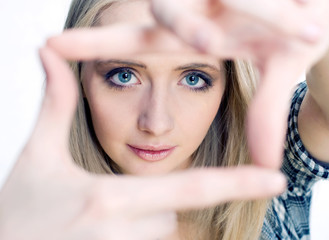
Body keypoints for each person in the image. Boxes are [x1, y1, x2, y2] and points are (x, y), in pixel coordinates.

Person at [0, 0, 328, 239]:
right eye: (124, 76)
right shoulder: (42, 223)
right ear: (79, 79)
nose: (156, 123)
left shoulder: (270, 163)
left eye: (194, 78)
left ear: (227, 83)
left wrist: (316, 32)